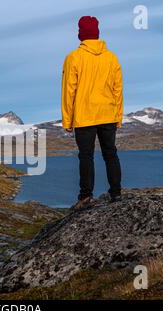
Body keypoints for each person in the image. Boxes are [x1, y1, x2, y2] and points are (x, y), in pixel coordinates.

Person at [61, 16, 123, 210]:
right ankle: (116, 193)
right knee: (110, 154)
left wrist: (67, 120)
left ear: (80, 33)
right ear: (97, 33)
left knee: (86, 156)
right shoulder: (111, 57)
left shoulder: (74, 57)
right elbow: (117, 89)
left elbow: (68, 90)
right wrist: (118, 116)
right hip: (108, 114)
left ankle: (86, 196)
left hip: (85, 116)